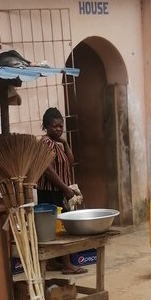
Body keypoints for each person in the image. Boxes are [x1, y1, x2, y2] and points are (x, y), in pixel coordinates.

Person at [36, 107, 87, 275]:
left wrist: (65, 143)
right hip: (51, 191)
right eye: (54, 126)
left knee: (56, 225)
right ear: (46, 127)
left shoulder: (57, 144)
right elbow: (48, 170)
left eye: (60, 126)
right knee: (61, 227)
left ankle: (53, 262)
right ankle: (67, 264)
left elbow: (70, 162)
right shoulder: (46, 143)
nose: (58, 129)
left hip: (59, 190)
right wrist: (65, 189)